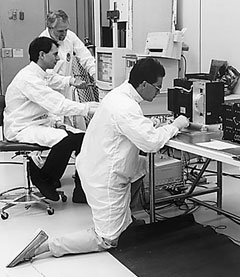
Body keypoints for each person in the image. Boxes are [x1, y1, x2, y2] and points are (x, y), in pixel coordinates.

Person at [6, 58, 190, 268]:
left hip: (96, 164)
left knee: (141, 167)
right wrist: (175, 125)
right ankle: (47, 246)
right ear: (144, 84)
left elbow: (130, 129)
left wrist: (151, 124)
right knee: (107, 239)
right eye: (157, 88)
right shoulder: (125, 106)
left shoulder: (120, 95)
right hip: (104, 176)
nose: (159, 92)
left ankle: (126, 220)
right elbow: (150, 143)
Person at [3, 36, 98, 203]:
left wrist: (72, 81)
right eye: (54, 54)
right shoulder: (29, 79)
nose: (58, 58)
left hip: (38, 122)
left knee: (83, 138)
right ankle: (45, 178)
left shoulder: (40, 74)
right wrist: (89, 108)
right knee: (66, 139)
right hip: (22, 128)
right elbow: (57, 104)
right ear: (42, 55)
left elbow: (55, 80)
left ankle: (81, 192)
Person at [39, 10, 97, 129]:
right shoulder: (41, 43)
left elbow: (86, 57)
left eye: (66, 29)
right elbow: (46, 77)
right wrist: (70, 81)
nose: (64, 34)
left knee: (72, 132)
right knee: (55, 133)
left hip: (66, 94)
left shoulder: (70, 36)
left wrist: (97, 75)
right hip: (49, 96)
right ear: (50, 28)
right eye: (60, 31)